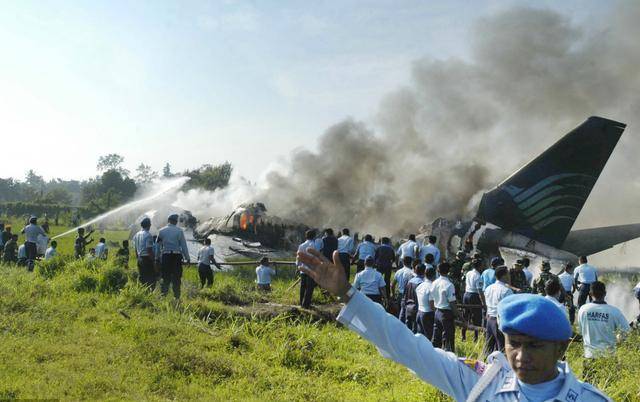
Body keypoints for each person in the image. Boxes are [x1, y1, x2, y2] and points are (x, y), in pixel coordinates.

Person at [296, 248, 611, 401]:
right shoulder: (484, 383)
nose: (520, 356)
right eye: (513, 343)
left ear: (562, 347)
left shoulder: (591, 401)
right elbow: (408, 347)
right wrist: (348, 296)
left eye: (535, 345)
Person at [578, 281, 631, 380]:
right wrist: (619, 340)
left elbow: (582, 331)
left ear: (590, 294)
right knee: (609, 390)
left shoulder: (583, 310)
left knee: (589, 391)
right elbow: (627, 331)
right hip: (609, 357)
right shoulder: (614, 311)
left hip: (589, 356)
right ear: (605, 293)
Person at [156, 214, 190, 299]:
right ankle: (177, 297)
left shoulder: (161, 231)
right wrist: (187, 258)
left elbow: (158, 245)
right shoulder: (179, 231)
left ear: (168, 220)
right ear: (175, 221)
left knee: (165, 276)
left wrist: (157, 257)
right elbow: (183, 245)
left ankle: (163, 296)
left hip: (166, 256)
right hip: (176, 256)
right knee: (177, 277)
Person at [429, 262, 458, 352]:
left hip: (437, 311)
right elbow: (452, 303)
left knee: (436, 337)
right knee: (448, 338)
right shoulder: (449, 285)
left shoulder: (434, 283)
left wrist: (435, 310)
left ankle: (434, 355)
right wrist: (458, 315)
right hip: (446, 313)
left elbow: (431, 300)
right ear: (448, 271)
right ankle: (448, 358)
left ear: (438, 270)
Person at [484, 266, 513, 354]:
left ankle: (485, 365)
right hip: (499, 320)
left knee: (489, 346)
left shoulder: (489, 288)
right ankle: (503, 367)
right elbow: (509, 309)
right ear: (504, 276)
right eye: (508, 274)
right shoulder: (506, 291)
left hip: (489, 319)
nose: (509, 276)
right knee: (502, 347)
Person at [462, 258, 485, 342]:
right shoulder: (478, 276)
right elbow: (480, 291)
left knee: (465, 315)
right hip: (474, 296)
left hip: (466, 294)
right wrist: (483, 303)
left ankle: (463, 336)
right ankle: (475, 337)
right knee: (476, 317)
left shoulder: (468, 273)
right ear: (480, 266)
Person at [133, 218, 156, 289]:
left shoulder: (137, 234)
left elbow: (136, 249)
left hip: (140, 259)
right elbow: (149, 250)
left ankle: (143, 293)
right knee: (151, 278)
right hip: (147, 259)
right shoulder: (148, 235)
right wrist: (154, 261)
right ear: (149, 225)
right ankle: (150, 294)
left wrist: (138, 258)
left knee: (142, 278)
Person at [297, 230, 318, 308]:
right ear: (314, 236)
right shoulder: (314, 245)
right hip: (311, 269)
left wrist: (298, 266)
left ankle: (301, 303)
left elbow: (298, 257)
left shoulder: (301, 245)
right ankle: (306, 304)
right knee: (309, 287)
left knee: (303, 287)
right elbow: (315, 257)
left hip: (303, 269)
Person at [403, 263, 425, 332]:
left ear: (415, 271)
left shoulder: (410, 281)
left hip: (408, 307)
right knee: (415, 330)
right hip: (416, 308)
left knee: (407, 329)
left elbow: (405, 295)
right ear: (424, 271)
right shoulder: (421, 283)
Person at [415, 266, 436, 339]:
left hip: (419, 312)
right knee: (429, 337)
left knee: (420, 337)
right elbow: (431, 305)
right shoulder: (432, 287)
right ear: (434, 275)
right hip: (428, 314)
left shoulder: (420, 285)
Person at [392, 256, 415, 323]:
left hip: (399, 294)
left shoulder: (398, 272)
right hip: (407, 296)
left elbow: (392, 285)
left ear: (403, 262)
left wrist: (393, 295)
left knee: (399, 313)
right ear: (411, 262)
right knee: (406, 316)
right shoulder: (411, 273)